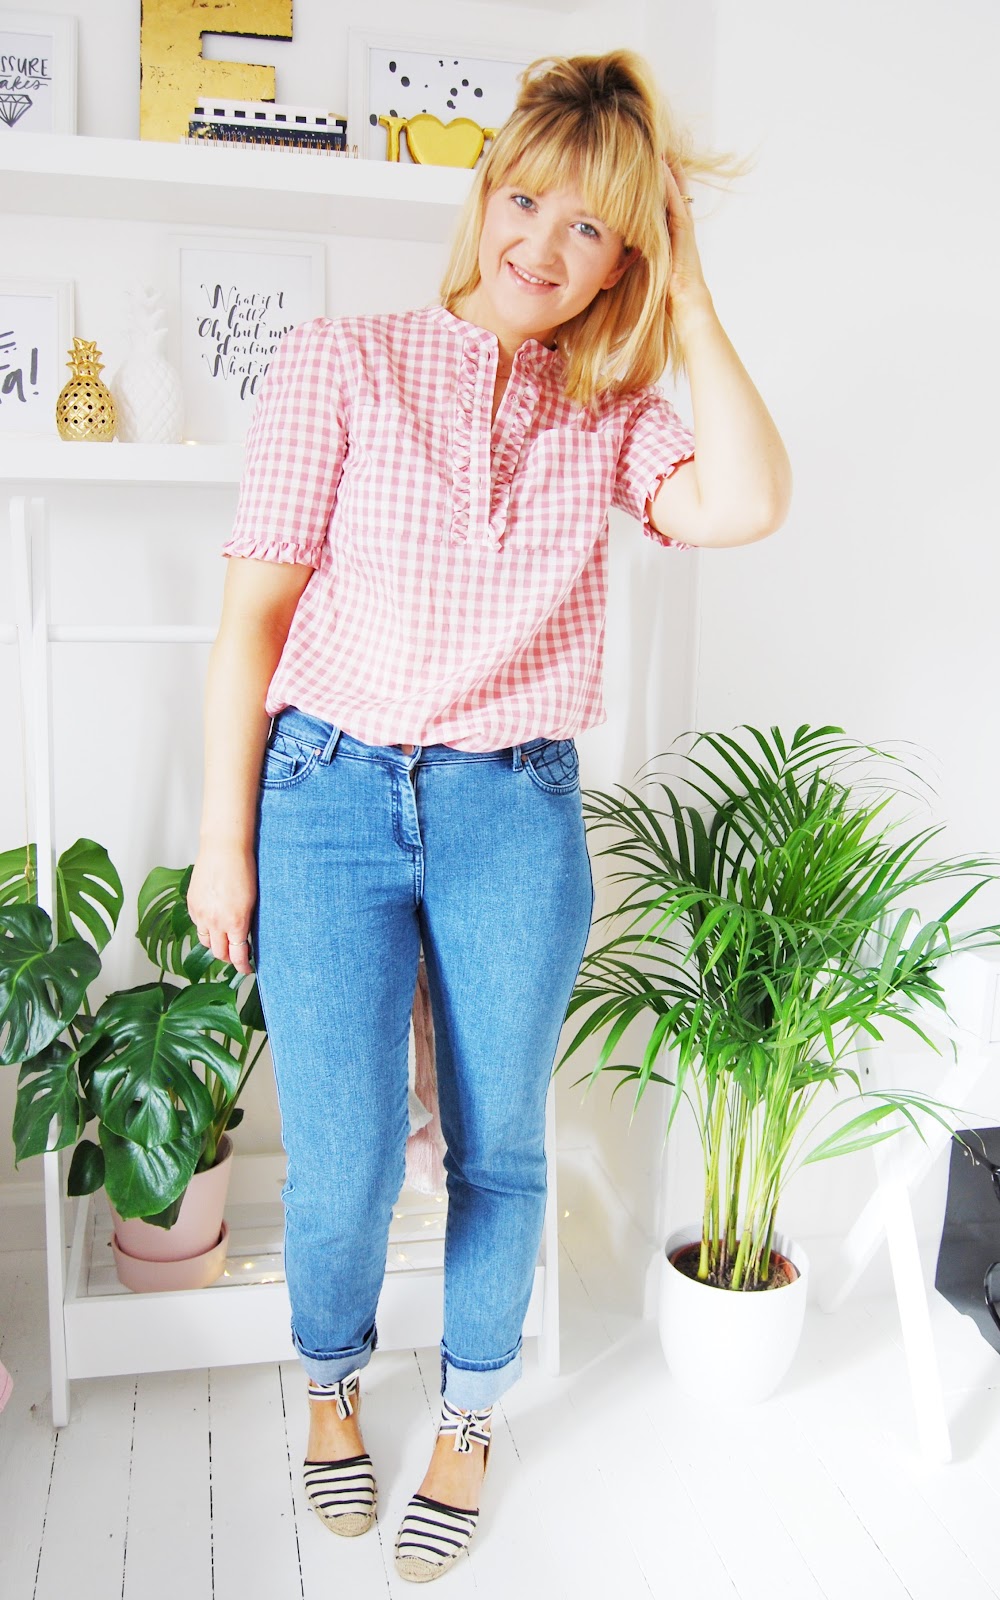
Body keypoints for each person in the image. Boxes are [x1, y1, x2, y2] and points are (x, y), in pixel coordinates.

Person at [188, 48, 791, 1583]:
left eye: (590, 226)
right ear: (484, 193)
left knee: (498, 1147)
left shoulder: (615, 415)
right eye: (525, 200)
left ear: (625, 257)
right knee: (337, 1159)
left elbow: (744, 503)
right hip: (326, 795)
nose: (541, 244)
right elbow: (253, 621)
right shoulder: (341, 361)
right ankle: (331, 1386)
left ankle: (465, 1415)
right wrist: (222, 841)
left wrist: (693, 302)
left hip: (509, 811)